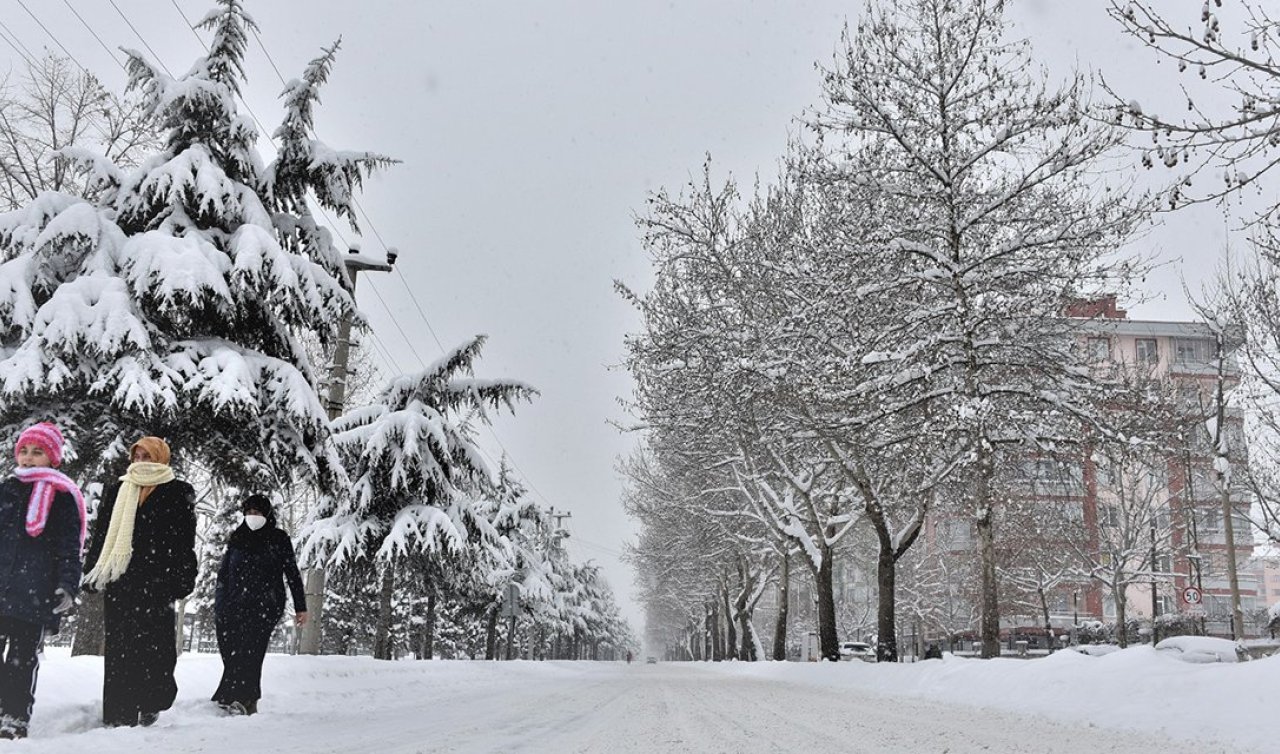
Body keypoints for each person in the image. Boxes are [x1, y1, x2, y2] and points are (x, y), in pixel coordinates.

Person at [82, 436, 196, 728]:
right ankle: (118, 715)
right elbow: (104, 533)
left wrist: (183, 577)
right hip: (122, 580)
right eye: (137, 455)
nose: (140, 461)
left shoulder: (177, 491)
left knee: (156, 648)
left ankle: (151, 700)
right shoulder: (119, 488)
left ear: (161, 459)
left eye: (147, 456)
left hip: (158, 582)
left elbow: (184, 540)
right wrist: (93, 571)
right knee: (120, 649)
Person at [0, 423, 85, 740]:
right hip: (1, 587)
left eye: (37, 452)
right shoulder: (5, 489)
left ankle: (14, 717)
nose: (28, 457)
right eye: (23, 450)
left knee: (22, 660)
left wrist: (67, 583)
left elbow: (69, 547)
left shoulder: (62, 498)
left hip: (33, 593)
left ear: (53, 459)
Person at [211, 494, 307, 716]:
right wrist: (220, 602)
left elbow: (292, 573)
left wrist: (300, 606)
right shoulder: (237, 537)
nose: (252, 517)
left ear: (267, 515)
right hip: (233, 604)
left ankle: (247, 699)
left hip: (265, 605)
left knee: (251, 651)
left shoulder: (278, 538)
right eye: (249, 512)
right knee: (230, 649)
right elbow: (224, 573)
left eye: (257, 513)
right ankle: (228, 692)